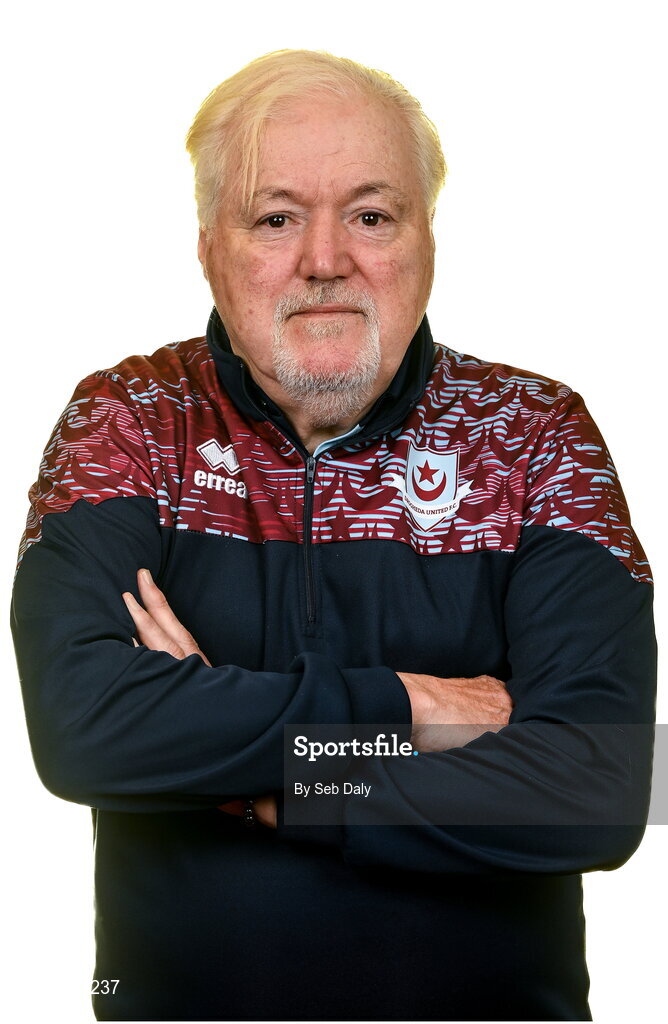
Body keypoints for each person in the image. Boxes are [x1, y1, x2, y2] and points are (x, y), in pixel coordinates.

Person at [11, 48, 656, 1022]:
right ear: (208, 242)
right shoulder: (130, 421)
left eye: (369, 214)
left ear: (424, 238)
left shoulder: (532, 435)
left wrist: (271, 787)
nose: (322, 259)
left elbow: (602, 782)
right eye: (275, 217)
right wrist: (406, 702)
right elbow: (86, 729)